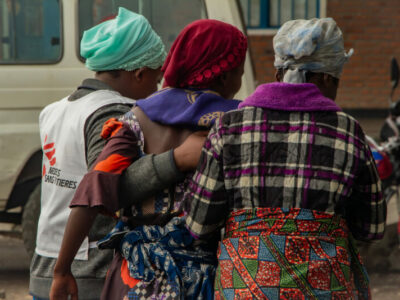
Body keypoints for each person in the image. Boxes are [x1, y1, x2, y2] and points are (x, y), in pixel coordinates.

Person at [185, 18, 386, 299]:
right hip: (324, 290)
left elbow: (199, 223)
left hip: (245, 291)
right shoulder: (349, 131)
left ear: (278, 73)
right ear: (327, 77)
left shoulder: (229, 127)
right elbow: (371, 228)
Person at [49, 19, 248, 300]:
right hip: (210, 277)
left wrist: (62, 269)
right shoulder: (239, 124)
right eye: (239, 72)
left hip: (136, 277)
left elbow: (94, 187)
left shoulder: (137, 118)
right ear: (225, 75)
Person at [29, 7, 175, 300]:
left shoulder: (54, 110)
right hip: (86, 273)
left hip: (45, 264)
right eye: (155, 81)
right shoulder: (114, 113)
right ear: (140, 73)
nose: (155, 89)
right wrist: (175, 161)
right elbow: (105, 185)